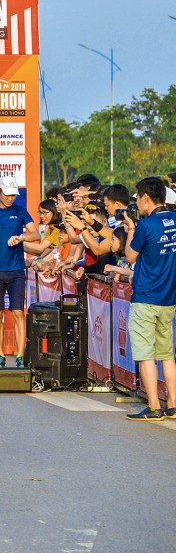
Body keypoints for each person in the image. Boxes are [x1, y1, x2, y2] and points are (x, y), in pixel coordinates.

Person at [119, 176, 176, 421]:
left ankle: (154, 406)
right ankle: (173, 404)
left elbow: (130, 256)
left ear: (145, 198)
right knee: (167, 355)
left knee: (146, 355)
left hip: (145, 297)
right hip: (169, 297)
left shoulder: (146, 225)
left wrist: (131, 231)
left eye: (138, 199)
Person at [0, 176, 37, 368]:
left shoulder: (20, 211)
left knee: (18, 312)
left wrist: (21, 238)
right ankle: (0, 355)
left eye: (14, 195)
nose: (11, 198)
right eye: (7, 194)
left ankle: (20, 355)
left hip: (17, 270)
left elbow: (35, 234)